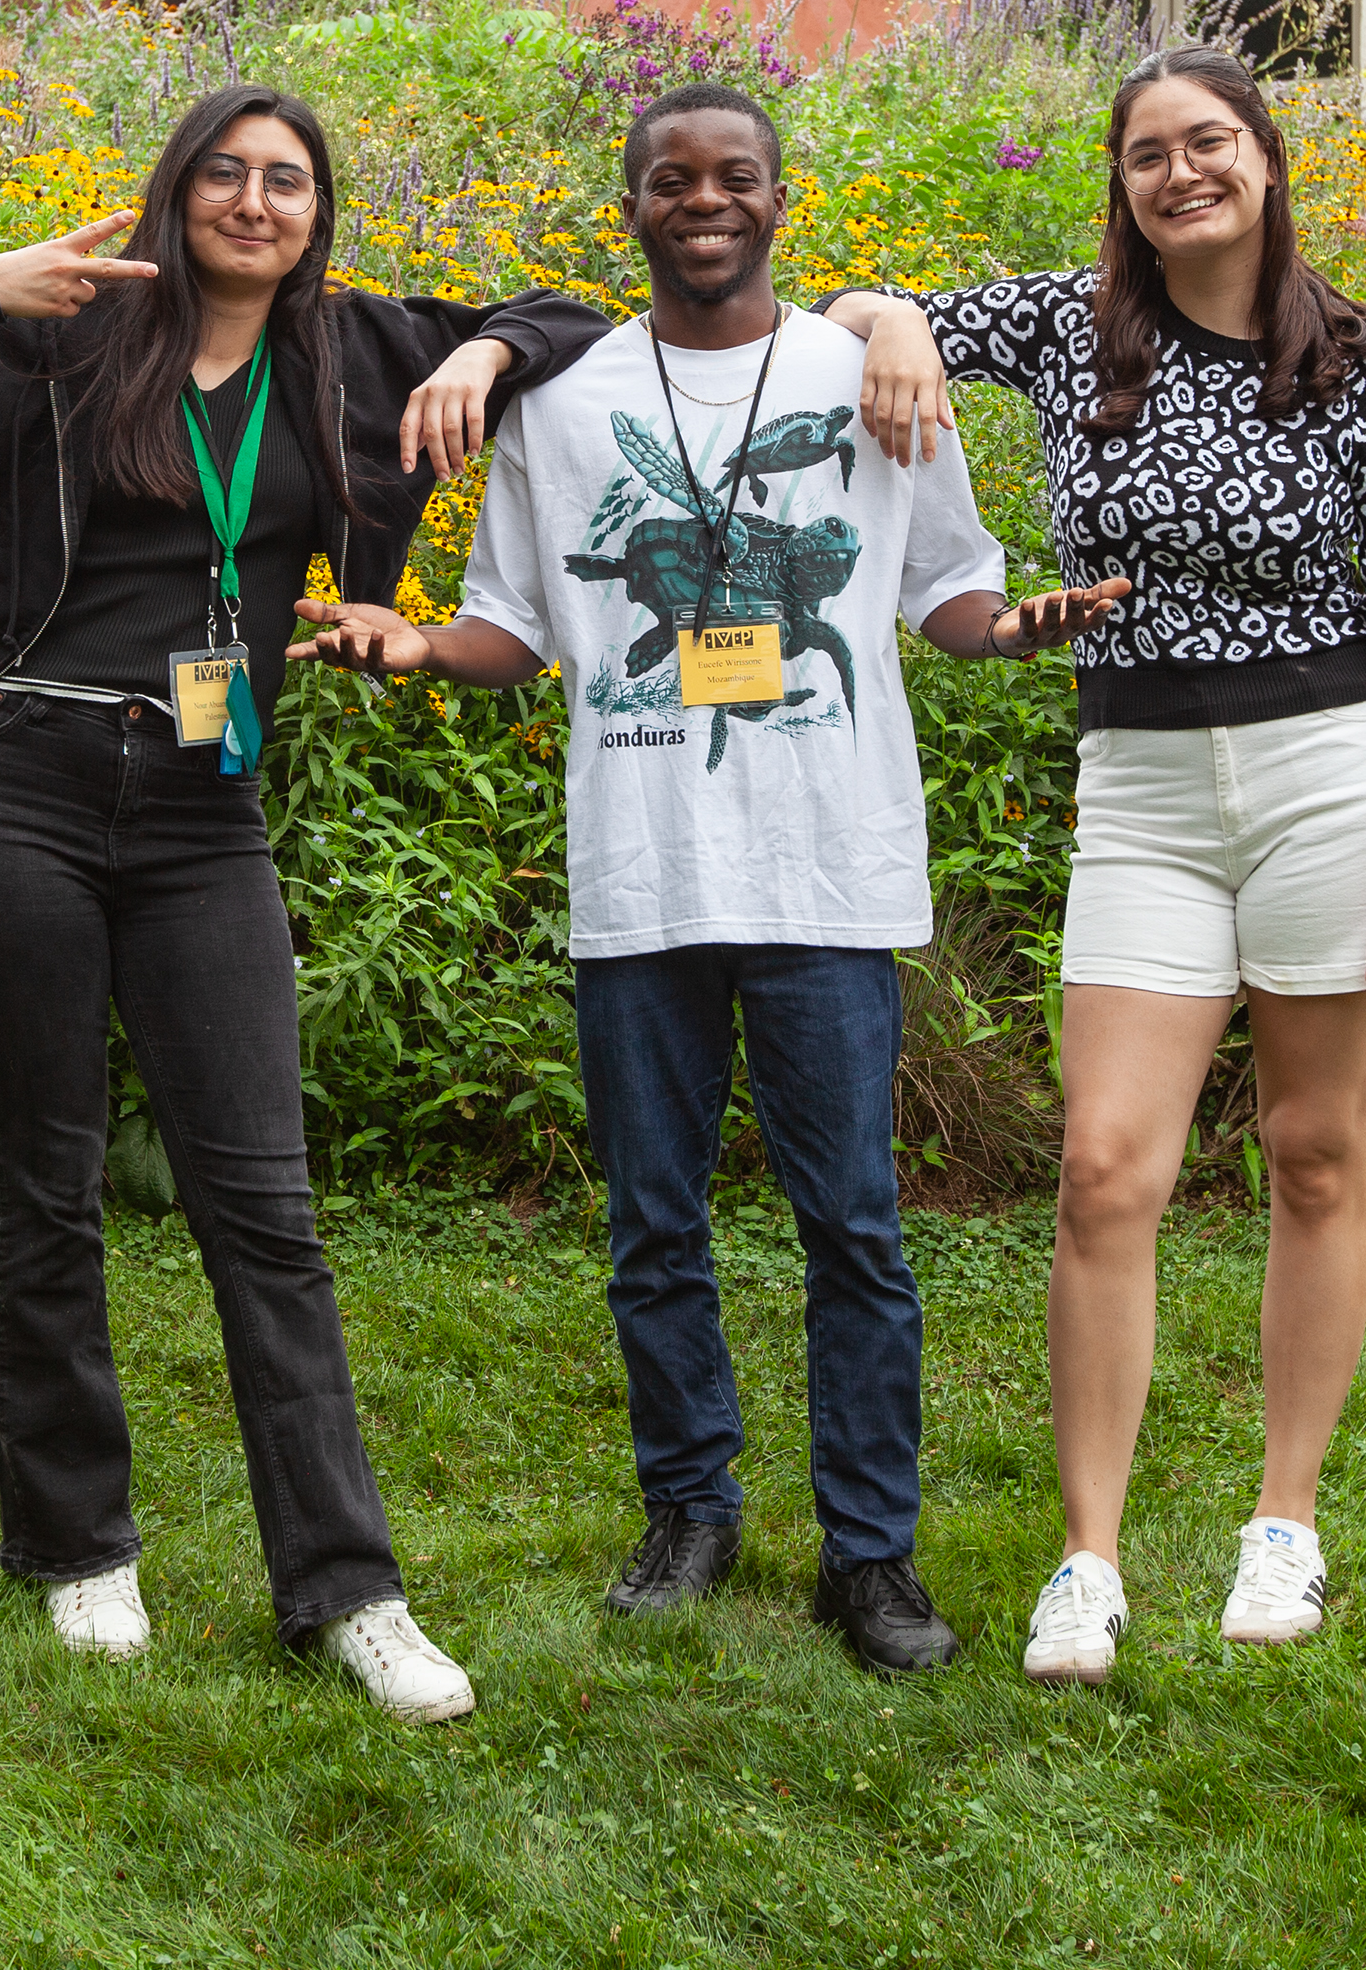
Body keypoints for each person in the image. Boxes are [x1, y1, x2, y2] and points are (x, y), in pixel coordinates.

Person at [0, 82, 608, 1724]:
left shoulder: (356, 351)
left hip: (204, 814)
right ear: (173, 193)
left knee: (264, 1208)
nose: (256, 201)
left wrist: (484, 353)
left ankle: (347, 1590)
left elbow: (574, 314)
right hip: (14, 783)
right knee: (49, 1185)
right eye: (224, 172)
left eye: (289, 179)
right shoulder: (59, 342)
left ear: (318, 209)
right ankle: (79, 1552)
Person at [292, 81, 1124, 1677]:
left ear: (777, 199)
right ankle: (690, 1510)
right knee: (651, 1226)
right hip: (644, 876)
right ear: (634, 207)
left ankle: (870, 1558)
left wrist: (1029, 628)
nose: (705, 200)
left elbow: (950, 590)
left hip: (829, 879)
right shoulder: (566, 396)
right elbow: (518, 629)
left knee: (855, 1230)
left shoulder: (874, 373)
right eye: (672, 179)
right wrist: (411, 647)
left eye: (734, 176)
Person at [822, 44, 1366, 1688]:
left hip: (1332, 776)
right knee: (1109, 1168)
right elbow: (848, 312)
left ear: (1264, 159)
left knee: (1319, 1156)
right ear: (1120, 185)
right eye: (1147, 153)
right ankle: (1089, 1558)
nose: (1180, 171)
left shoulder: (1354, 367)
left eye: (1211, 141)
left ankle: (1284, 1526)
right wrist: (891, 320)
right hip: (1148, 784)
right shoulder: (1068, 324)